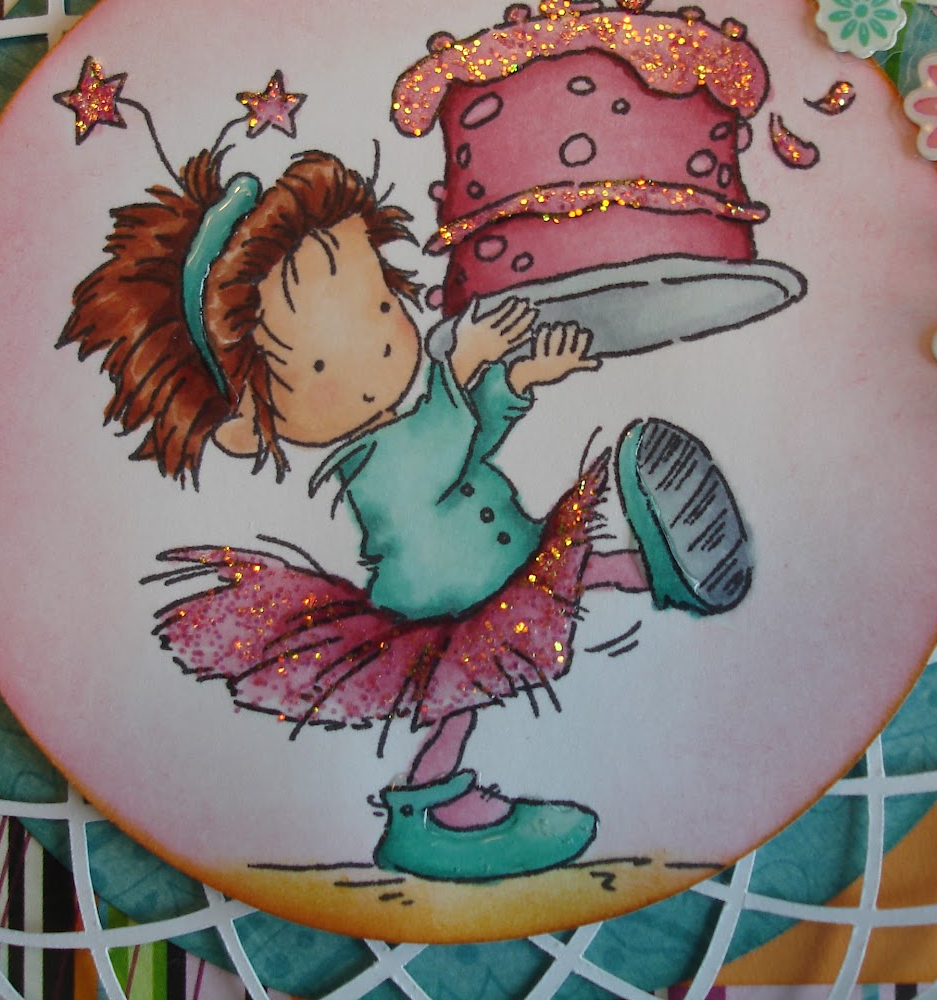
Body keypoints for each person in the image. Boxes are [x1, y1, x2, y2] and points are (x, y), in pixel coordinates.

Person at [60, 148, 750, 880]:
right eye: (321, 363)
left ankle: (669, 573)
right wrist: (460, 368)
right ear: (244, 424)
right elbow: (430, 460)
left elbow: (467, 441)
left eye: (381, 308)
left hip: (498, 557)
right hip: (448, 599)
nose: (381, 345)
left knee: (568, 582)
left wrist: (518, 378)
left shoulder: (411, 424)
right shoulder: (368, 464)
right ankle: (424, 813)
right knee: (465, 699)